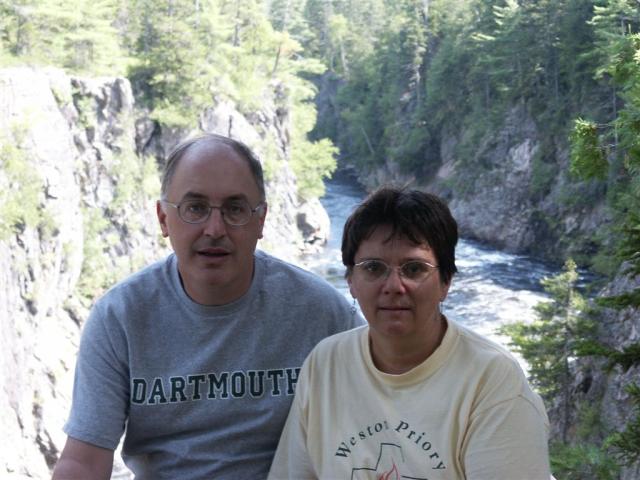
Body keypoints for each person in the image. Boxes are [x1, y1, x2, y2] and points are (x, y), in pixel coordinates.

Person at [52, 133, 362, 479]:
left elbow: (375, 428)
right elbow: (84, 461)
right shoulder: (120, 318)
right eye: (195, 208)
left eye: (235, 209)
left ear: (260, 220)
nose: (215, 229)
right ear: (163, 219)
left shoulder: (323, 314)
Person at [268, 187, 552, 479]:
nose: (393, 285)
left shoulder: (491, 381)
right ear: (351, 280)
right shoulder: (325, 364)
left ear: (445, 282)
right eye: (373, 268)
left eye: (414, 269)